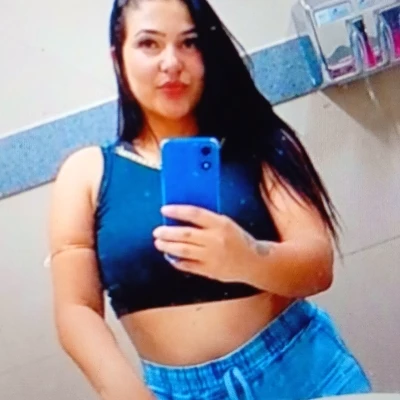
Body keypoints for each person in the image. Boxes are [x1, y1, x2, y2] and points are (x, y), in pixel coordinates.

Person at [48, 0, 372, 399]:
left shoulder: (259, 143)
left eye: (189, 42)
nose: (171, 63)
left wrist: (246, 256)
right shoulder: (86, 174)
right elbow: (76, 310)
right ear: (118, 58)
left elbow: (318, 267)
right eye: (149, 44)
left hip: (304, 373)